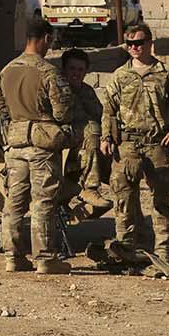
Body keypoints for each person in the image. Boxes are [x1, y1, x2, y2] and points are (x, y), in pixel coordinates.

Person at [101, 23, 169, 262]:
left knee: (161, 198)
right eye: (129, 44)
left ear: (150, 43)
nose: (134, 48)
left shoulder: (167, 73)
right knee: (124, 199)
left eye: (138, 43)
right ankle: (125, 247)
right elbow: (108, 110)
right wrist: (106, 137)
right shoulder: (121, 75)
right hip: (128, 145)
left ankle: (163, 248)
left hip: (156, 144)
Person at [0, 17, 73, 274]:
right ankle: (46, 258)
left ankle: (12, 257)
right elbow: (63, 112)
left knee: (14, 200)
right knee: (44, 200)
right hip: (41, 146)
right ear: (46, 39)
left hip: (14, 145)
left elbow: (0, 109)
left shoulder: (7, 71)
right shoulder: (48, 72)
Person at [59, 48, 111, 217]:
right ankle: (89, 188)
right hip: (64, 143)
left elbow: (100, 115)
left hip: (87, 147)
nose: (76, 73)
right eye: (72, 69)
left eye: (80, 70)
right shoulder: (58, 90)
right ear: (64, 69)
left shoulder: (87, 91)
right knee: (91, 129)